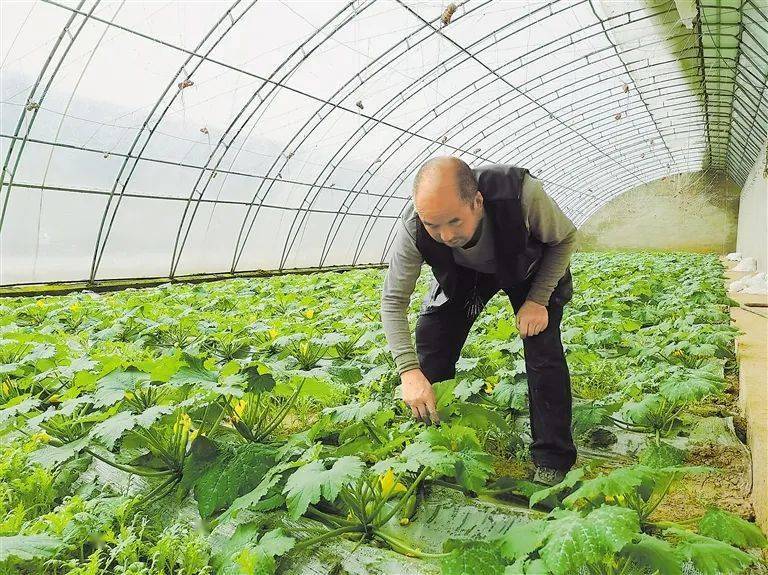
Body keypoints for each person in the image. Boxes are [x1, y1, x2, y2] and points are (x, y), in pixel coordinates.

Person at [380, 156, 577, 485]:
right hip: (463, 274)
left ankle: (553, 457)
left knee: (543, 348)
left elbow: (564, 239)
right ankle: (431, 447)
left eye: (454, 221)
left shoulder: (520, 194)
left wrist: (537, 300)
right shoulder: (414, 225)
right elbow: (393, 300)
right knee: (432, 342)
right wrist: (408, 371)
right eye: (433, 225)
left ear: (477, 201)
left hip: (527, 266)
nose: (444, 235)